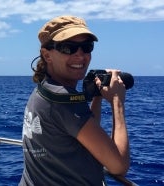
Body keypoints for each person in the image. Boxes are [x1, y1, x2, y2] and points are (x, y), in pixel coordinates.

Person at [19, 15, 130, 186]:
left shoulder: (45, 90)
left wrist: (96, 98)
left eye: (86, 47)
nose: (80, 55)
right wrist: (117, 101)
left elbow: (85, 132)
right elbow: (119, 166)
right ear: (47, 55)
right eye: (67, 48)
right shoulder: (64, 100)